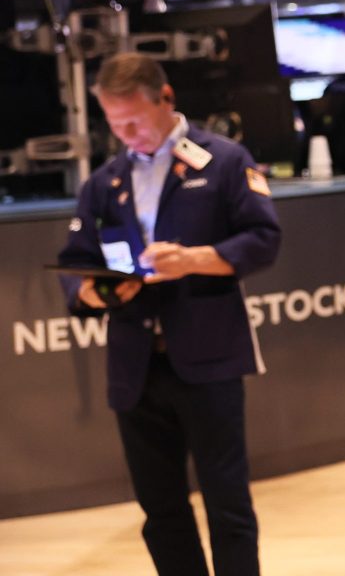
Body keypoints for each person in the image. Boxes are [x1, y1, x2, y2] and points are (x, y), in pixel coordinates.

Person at [57, 53, 281, 576]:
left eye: (134, 120)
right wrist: (94, 294)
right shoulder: (104, 181)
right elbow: (74, 265)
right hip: (136, 366)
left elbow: (264, 240)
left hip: (209, 359)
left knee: (228, 505)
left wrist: (194, 261)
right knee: (160, 510)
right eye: (115, 125)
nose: (127, 134)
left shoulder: (224, 159)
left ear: (166, 99)